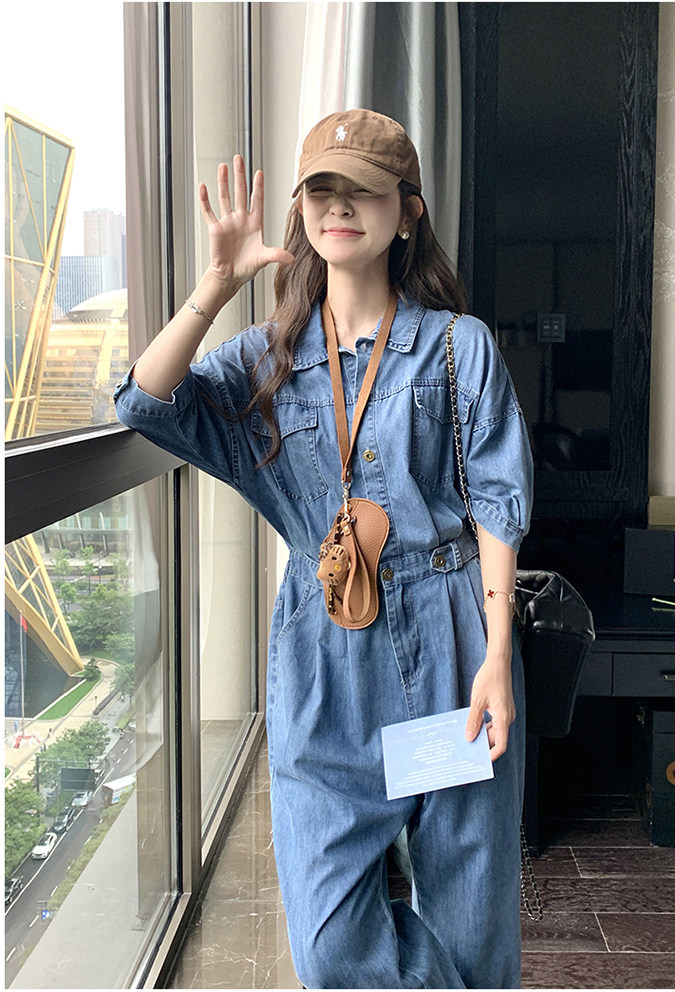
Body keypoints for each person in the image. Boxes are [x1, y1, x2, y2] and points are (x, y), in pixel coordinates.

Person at [115, 108, 533, 989]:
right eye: (322, 190)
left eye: (364, 191)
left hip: (451, 636)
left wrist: (496, 654)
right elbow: (147, 401)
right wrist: (216, 282)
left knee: (469, 922)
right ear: (302, 210)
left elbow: (497, 503)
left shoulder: (457, 348)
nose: (340, 207)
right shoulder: (264, 360)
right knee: (331, 944)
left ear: (407, 212)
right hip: (323, 654)